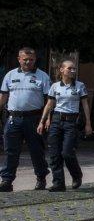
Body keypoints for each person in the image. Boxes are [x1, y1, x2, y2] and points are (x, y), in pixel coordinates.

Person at [0, 47, 52, 191]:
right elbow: (3, 96)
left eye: (31, 59)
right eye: (25, 59)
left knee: (36, 150)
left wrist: (47, 118)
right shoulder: (10, 75)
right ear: (19, 59)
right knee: (11, 150)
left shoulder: (43, 76)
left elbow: (49, 100)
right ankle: (6, 180)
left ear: (35, 60)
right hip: (13, 118)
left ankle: (41, 178)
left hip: (34, 118)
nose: (28, 62)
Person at [39, 59, 93, 191]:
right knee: (54, 153)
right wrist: (42, 121)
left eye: (74, 68)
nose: (72, 71)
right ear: (61, 70)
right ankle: (58, 183)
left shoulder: (79, 86)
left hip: (71, 121)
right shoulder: (55, 86)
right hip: (56, 120)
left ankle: (76, 175)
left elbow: (85, 104)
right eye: (70, 68)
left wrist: (88, 123)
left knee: (67, 152)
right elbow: (49, 104)